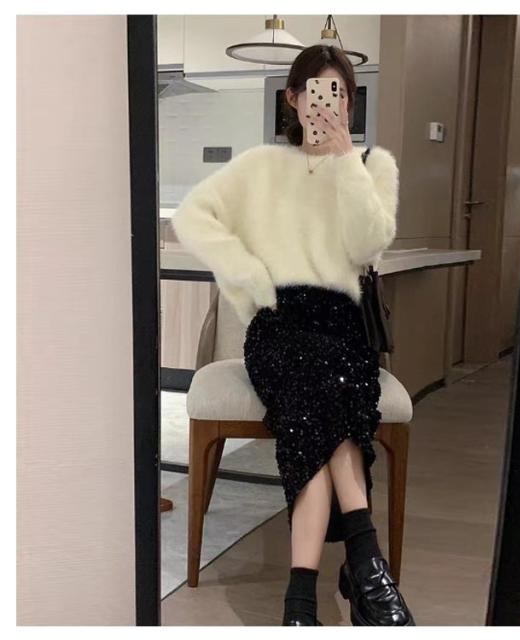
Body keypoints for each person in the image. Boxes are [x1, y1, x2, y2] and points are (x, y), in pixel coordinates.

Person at [171, 44, 415, 626]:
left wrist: (344, 163)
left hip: (343, 332)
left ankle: (300, 601)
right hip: (279, 330)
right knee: (321, 389)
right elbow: (195, 218)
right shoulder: (263, 170)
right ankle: (366, 563)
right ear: (293, 98)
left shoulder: (373, 166)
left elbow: (367, 245)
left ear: (350, 104)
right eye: (318, 93)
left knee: (319, 399)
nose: (329, 106)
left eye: (341, 95)